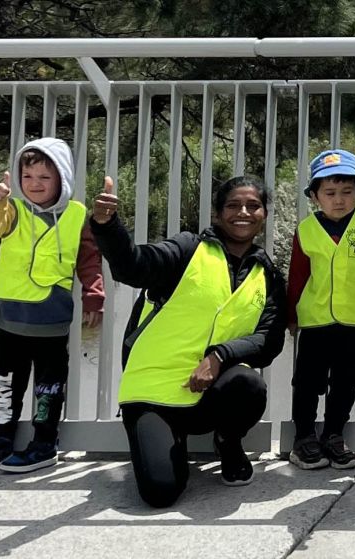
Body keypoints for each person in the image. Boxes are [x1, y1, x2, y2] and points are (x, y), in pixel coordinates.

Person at [90, 175, 286, 507]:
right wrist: (107, 226)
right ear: (217, 213)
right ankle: (169, 442)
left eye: (253, 206)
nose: (243, 212)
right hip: (153, 393)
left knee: (249, 385)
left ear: (264, 215)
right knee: (160, 493)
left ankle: (227, 441)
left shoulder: (267, 275)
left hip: (207, 395)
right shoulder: (187, 249)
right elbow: (133, 267)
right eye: (233, 205)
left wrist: (220, 356)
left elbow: (269, 340)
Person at [0, 138, 104, 474]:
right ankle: (1, 439)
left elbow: (89, 260)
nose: (35, 184)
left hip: (51, 316)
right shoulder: (12, 209)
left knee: (49, 383)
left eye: (45, 178)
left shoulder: (77, 216)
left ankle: (44, 442)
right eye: (28, 177)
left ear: (62, 179)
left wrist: (94, 295)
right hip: (11, 314)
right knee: (6, 382)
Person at [286, 149, 355, 471]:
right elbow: (298, 275)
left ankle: (334, 435)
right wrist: (291, 314)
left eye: (347, 192)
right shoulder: (306, 230)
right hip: (316, 319)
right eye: (330, 193)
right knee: (307, 381)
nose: (340, 200)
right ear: (315, 196)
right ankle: (304, 437)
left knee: (346, 380)